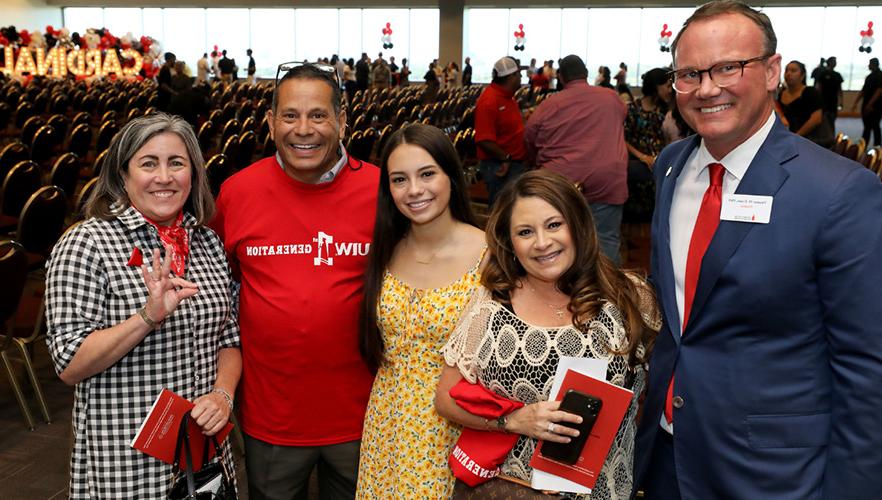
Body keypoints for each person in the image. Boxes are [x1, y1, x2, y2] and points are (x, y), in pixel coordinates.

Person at [635, 3, 882, 499]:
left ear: (772, 71)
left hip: (774, 475)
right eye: (689, 74)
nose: (707, 88)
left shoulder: (838, 192)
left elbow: (867, 369)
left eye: (729, 67)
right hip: (666, 456)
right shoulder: (670, 165)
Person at [45, 113, 241, 498]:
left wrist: (223, 395)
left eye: (177, 163)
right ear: (122, 175)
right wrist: (148, 317)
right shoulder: (86, 244)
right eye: (148, 163)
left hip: (202, 451)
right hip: (126, 461)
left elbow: (229, 339)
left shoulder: (205, 242)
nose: (164, 177)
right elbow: (69, 365)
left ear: (194, 174)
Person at [436, 169, 658, 499]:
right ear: (510, 243)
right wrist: (512, 421)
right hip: (511, 491)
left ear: (578, 224)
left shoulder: (630, 297)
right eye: (525, 232)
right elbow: (445, 399)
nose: (542, 243)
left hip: (605, 490)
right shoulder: (492, 305)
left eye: (554, 225)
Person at [211, 62, 379, 499]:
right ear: (270, 122)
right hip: (272, 419)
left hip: (364, 414)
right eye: (290, 115)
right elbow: (217, 293)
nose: (303, 129)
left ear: (343, 121)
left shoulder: (384, 192)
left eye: (318, 115)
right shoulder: (236, 193)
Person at [356, 123, 485, 498]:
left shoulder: (489, 256)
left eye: (427, 174)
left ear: (451, 176)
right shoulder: (386, 249)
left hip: (456, 428)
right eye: (399, 179)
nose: (414, 190)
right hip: (388, 425)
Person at [525, 54, 628, 265]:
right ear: (587, 74)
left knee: (560, 240)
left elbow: (529, 137)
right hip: (607, 179)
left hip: (561, 183)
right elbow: (621, 118)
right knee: (606, 239)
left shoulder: (549, 105)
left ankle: (569, 289)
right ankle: (608, 293)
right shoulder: (611, 98)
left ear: (561, 78)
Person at [475, 56, 527, 206]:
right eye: (519, 74)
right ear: (511, 76)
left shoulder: (508, 97)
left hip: (512, 164)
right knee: (501, 212)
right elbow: (484, 139)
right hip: (500, 166)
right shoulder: (490, 101)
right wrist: (505, 158)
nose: (521, 77)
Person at [624, 67, 672, 224]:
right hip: (637, 164)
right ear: (655, 86)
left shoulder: (667, 110)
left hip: (660, 163)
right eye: (666, 85)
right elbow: (624, 138)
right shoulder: (632, 109)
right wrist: (643, 157)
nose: (669, 90)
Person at [778, 60, 833, 147]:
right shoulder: (781, 93)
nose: (788, 74)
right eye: (786, 70)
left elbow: (816, 119)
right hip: (790, 140)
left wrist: (796, 136)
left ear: (802, 75)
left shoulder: (810, 92)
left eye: (793, 71)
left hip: (811, 140)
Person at [852, 57, 882, 146]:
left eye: (870, 64)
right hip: (866, 105)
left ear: (874, 64)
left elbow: (879, 90)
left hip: (876, 106)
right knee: (867, 127)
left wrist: (870, 104)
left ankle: (877, 147)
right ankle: (863, 145)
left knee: (875, 126)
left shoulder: (880, 75)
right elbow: (863, 90)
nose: (868, 65)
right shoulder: (869, 76)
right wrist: (856, 102)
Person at [817, 55, 843, 133]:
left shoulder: (837, 75)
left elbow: (840, 89)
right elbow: (819, 88)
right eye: (834, 61)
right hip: (823, 101)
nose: (835, 63)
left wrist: (841, 101)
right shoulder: (823, 73)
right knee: (822, 120)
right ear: (829, 62)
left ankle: (831, 138)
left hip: (833, 101)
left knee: (832, 121)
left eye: (836, 62)